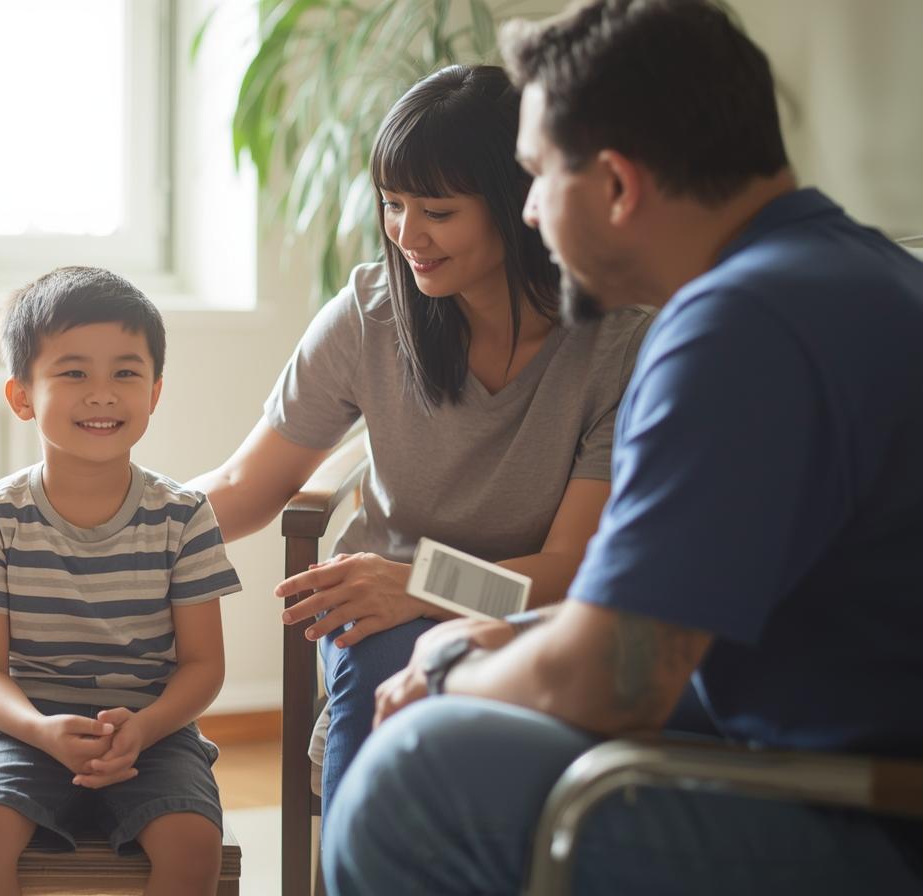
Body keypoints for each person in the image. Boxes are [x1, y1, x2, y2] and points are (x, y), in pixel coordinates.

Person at [324, 1, 923, 893]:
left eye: (535, 177)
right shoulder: (858, 274)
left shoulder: (730, 330)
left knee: (414, 774)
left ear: (615, 183)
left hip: (868, 811)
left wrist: (451, 657)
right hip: (815, 733)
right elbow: (659, 622)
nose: (529, 211)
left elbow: (619, 672)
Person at [189, 63, 654, 811]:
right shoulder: (371, 313)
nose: (407, 234)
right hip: (377, 613)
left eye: (436, 210)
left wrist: (420, 584)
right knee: (383, 661)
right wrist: (108, 526)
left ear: (517, 204)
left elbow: (570, 570)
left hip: (532, 619)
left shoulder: (614, 347)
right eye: (392, 205)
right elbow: (249, 485)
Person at [0, 267, 242, 895]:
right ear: (22, 396)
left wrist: (146, 727)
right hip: (20, 730)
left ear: (155, 393)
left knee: (192, 843)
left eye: (125, 373)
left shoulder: (183, 516)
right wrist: (41, 731)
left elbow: (203, 666)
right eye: (73, 373)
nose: (102, 393)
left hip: (152, 734)